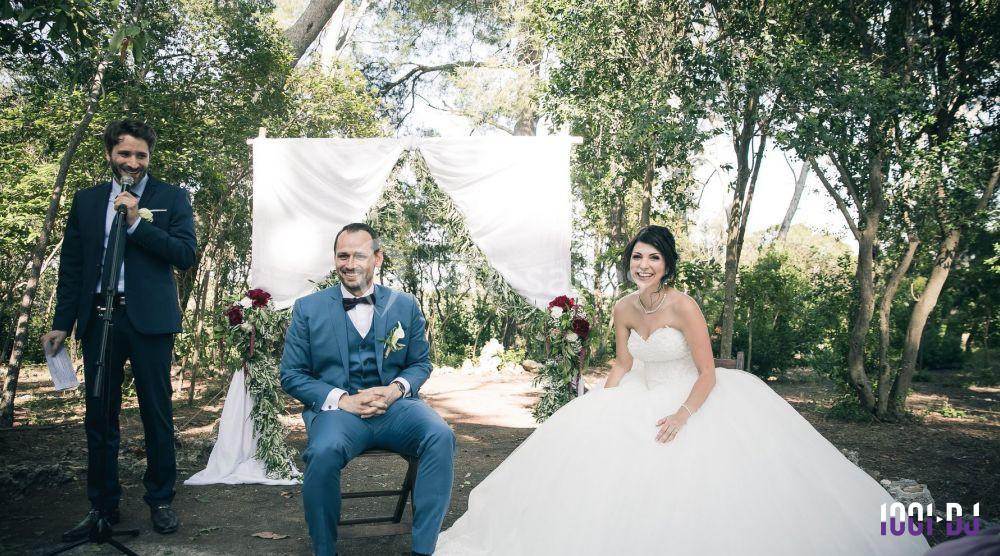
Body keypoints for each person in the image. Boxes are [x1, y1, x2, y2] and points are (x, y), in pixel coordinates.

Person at [435, 225, 930, 555]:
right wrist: (602, 402)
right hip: (637, 395)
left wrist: (682, 415)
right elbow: (624, 363)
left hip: (693, 399)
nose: (643, 264)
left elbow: (708, 372)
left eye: (653, 258)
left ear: (667, 265)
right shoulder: (625, 308)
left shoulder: (683, 306)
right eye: (636, 257)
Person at [41, 119, 196, 539]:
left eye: (141, 155)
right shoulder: (87, 201)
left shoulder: (171, 198)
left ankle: (161, 499)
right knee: (99, 415)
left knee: (156, 414)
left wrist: (135, 223)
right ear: (110, 153)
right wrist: (62, 323)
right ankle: (102, 507)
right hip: (99, 318)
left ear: (150, 157)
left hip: (149, 322)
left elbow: (184, 254)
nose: (133, 162)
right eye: (125, 153)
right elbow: (72, 266)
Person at [280, 223, 455, 556]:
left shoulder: (404, 305)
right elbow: (291, 374)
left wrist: (395, 390)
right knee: (322, 452)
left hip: (396, 410)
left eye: (359, 255)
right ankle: (325, 550)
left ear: (377, 258)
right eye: (342, 255)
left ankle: (424, 548)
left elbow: (420, 364)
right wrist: (342, 400)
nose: (350, 264)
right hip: (338, 415)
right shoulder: (308, 309)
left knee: (440, 435)